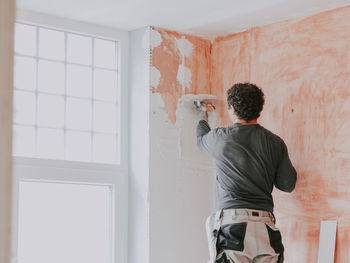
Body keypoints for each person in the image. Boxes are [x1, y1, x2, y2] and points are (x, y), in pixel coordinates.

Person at [196, 83, 297, 263]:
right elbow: (288, 185)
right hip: (266, 228)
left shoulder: (221, 138)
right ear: (259, 109)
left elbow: (201, 139)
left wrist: (203, 116)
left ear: (232, 109)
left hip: (233, 226)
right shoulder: (275, 143)